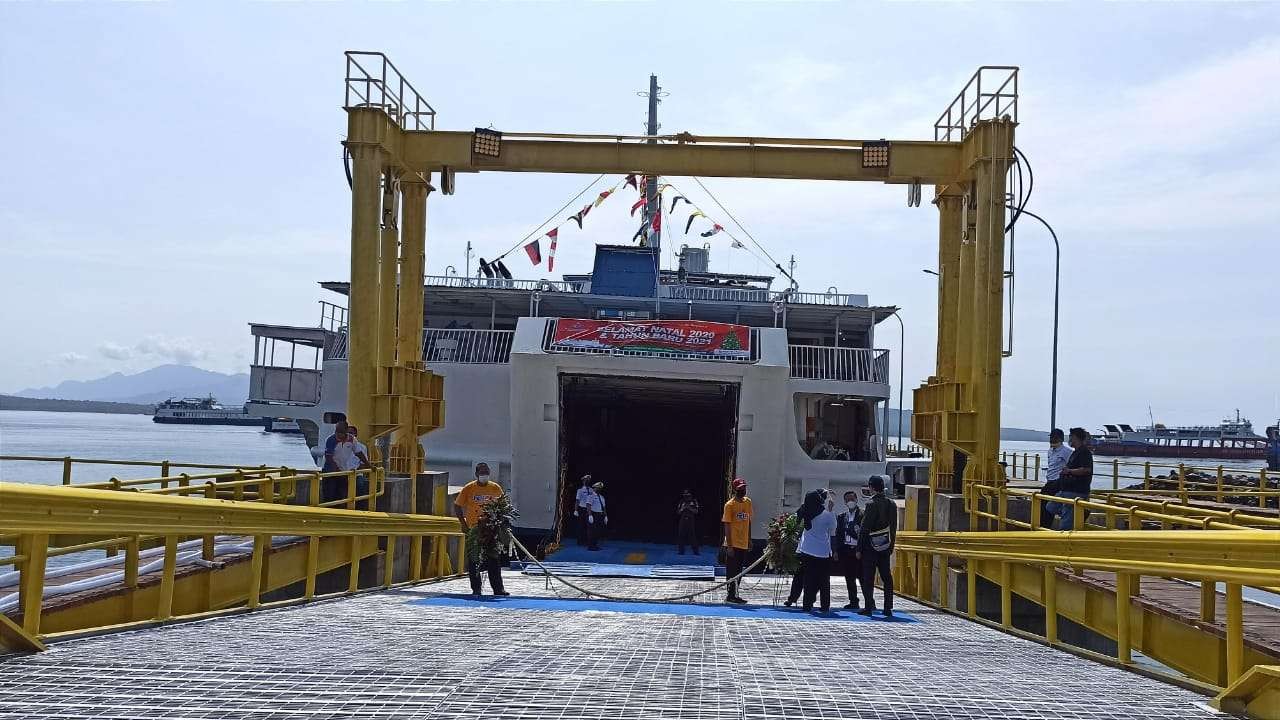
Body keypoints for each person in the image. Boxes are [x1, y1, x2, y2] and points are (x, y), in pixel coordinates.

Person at [454, 462, 509, 596]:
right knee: (474, 559)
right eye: (482, 473)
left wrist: (501, 524)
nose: (484, 475)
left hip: (491, 529)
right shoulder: (469, 488)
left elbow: (503, 506)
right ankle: (476, 588)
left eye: (486, 472)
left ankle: (498, 588)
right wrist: (463, 524)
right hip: (474, 529)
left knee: (494, 560)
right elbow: (457, 505)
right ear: (477, 474)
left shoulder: (495, 488)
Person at [858, 475, 897, 618]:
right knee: (886, 576)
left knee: (868, 577)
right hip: (885, 545)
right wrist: (891, 545)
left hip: (870, 547)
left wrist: (859, 548)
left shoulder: (871, 504)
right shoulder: (891, 503)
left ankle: (868, 606)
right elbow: (893, 527)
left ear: (871, 487)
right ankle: (888, 607)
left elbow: (864, 528)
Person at [796, 489, 836, 613]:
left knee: (808, 579)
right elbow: (833, 528)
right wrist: (831, 510)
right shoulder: (826, 514)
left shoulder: (804, 512)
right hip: (822, 551)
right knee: (824, 580)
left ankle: (807, 605)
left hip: (807, 549)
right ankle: (825, 605)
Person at [1047, 428, 1093, 531]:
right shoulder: (1075, 452)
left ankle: (1064, 538)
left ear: (1075, 437)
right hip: (1066, 489)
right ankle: (1079, 513)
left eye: (1071, 436)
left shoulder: (1085, 452)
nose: (1069, 439)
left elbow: (1086, 470)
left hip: (1076, 491)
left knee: (1066, 522)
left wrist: (1069, 471)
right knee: (1050, 506)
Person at [835, 488, 869, 610]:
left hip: (858, 550)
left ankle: (870, 602)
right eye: (847, 499)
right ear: (844, 502)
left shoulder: (863, 514)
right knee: (849, 578)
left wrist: (854, 533)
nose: (850, 501)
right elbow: (838, 534)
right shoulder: (842, 517)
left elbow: (864, 533)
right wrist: (837, 550)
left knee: (862, 577)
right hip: (846, 550)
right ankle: (853, 601)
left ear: (856, 499)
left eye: (852, 499)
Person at [721, 477, 753, 604]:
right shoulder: (730, 505)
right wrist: (729, 546)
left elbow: (749, 521)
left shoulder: (748, 502)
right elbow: (727, 525)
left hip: (743, 542)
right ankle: (730, 595)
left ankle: (736, 593)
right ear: (735, 489)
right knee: (732, 570)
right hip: (733, 543)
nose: (743, 490)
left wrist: (749, 539)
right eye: (740, 488)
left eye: (744, 488)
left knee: (739, 570)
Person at [1040, 428, 1072, 529]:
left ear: (1061, 439)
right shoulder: (1050, 451)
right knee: (1044, 504)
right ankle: (1044, 526)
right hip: (1050, 481)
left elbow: (1070, 466)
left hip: (1058, 482)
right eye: (1051, 437)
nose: (1052, 439)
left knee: (1047, 504)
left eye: (1055, 437)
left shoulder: (1067, 451)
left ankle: (1045, 526)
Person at [676, 489, 701, 555]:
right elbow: (678, 512)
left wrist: (689, 507)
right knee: (681, 535)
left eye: (688, 495)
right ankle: (681, 551)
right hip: (683, 519)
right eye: (685, 495)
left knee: (692, 536)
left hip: (691, 519)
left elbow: (696, 511)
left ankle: (696, 551)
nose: (686, 496)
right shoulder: (681, 501)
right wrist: (683, 508)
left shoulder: (694, 501)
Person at [585, 480, 607, 551]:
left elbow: (603, 508)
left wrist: (605, 516)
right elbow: (588, 505)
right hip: (592, 514)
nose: (599, 489)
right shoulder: (591, 496)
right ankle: (590, 546)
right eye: (597, 488)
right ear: (594, 488)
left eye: (600, 488)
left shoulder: (602, 497)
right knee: (591, 531)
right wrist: (590, 515)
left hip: (599, 515)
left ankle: (595, 545)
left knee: (597, 531)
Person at [574, 475, 592, 545]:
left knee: (588, 526)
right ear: (583, 481)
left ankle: (587, 540)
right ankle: (580, 540)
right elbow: (577, 500)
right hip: (582, 509)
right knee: (580, 526)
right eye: (586, 480)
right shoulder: (580, 490)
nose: (587, 481)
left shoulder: (591, 490)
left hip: (589, 510)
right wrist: (576, 510)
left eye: (588, 480)